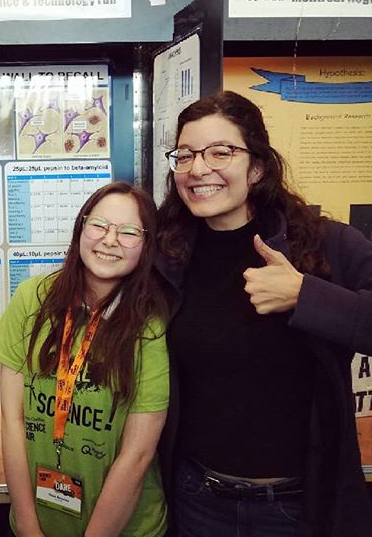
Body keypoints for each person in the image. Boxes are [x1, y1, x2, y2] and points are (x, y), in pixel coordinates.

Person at [154, 90, 372, 537]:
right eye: (186, 155)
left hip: (297, 505)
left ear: (256, 167)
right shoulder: (168, 255)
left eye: (221, 152)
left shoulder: (327, 246)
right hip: (197, 497)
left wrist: (306, 295)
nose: (198, 169)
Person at [0, 181, 170, 537]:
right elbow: (12, 420)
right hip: (39, 521)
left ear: (146, 246)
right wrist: (26, 525)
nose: (110, 239)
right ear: (80, 229)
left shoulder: (150, 324)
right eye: (99, 225)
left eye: (129, 232)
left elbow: (137, 455)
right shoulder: (32, 298)